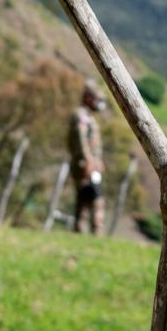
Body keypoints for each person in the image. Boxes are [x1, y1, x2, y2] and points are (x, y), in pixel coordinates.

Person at [68, 83, 104, 235]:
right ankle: (96, 233)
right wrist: (89, 161)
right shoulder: (81, 115)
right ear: (88, 98)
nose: (99, 103)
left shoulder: (89, 117)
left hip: (90, 164)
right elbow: (81, 140)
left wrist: (98, 161)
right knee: (95, 199)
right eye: (96, 98)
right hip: (84, 165)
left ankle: (81, 234)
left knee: (83, 201)